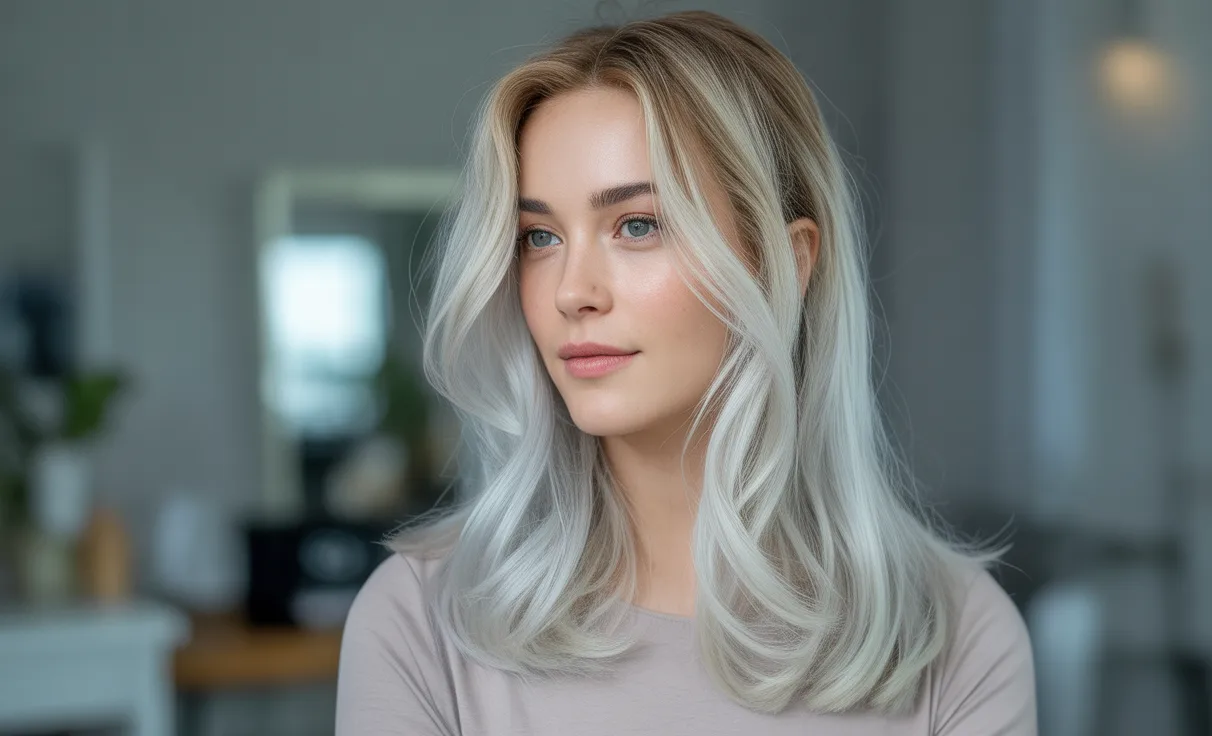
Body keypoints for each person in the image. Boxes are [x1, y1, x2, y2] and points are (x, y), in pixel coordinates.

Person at [336, 10, 1035, 735]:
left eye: (637, 225)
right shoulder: (420, 619)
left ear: (784, 264)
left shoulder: (956, 634)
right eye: (538, 237)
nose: (572, 290)